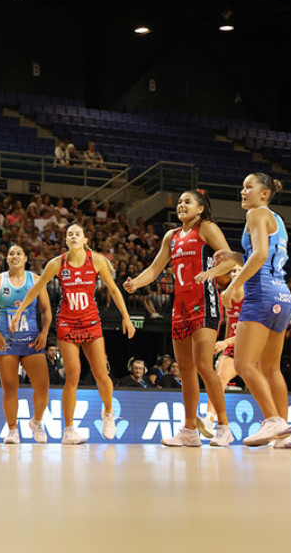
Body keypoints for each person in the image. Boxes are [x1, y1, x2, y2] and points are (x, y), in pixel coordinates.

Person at [125, 190, 234, 447]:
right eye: (180, 202)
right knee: (186, 371)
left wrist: (211, 273)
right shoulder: (171, 237)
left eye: (188, 202)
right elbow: (155, 268)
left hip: (205, 303)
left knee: (205, 366)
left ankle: (224, 426)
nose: (182, 205)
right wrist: (136, 283)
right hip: (180, 307)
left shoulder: (207, 228)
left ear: (200, 209)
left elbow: (229, 259)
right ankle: (189, 431)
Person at [13, 223, 136, 445]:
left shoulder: (96, 261)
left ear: (85, 239)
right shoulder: (56, 263)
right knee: (73, 376)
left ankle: (108, 412)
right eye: (70, 234)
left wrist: (126, 317)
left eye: (77, 233)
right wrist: (19, 311)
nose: (73, 236)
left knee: (101, 374)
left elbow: (114, 290)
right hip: (67, 324)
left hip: (91, 322)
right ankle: (68, 429)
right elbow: (37, 288)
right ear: (66, 240)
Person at [216, 173, 291, 447]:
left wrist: (234, 285)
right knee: (271, 368)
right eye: (242, 185)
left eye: (249, 186)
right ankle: (282, 436)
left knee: (243, 364)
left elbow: (260, 255)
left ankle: (272, 420)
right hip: (283, 296)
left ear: (264, 194)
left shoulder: (256, 215)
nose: (242, 190)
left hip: (260, 295)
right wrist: (234, 257)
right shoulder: (277, 219)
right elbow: (266, 255)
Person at [0, 244, 52, 445]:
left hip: (31, 339)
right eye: (11, 253)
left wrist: (45, 333)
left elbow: (46, 311)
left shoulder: (36, 280)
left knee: (43, 386)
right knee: (10, 388)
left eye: (19, 253)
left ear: (26, 258)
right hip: (6, 341)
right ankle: (12, 430)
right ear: (6, 258)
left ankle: (37, 422)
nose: (14, 256)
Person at [207, 266, 244, 425]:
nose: (235, 274)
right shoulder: (225, 296)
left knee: (259, 386)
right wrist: (225, 341)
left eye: (239, 270)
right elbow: (230, 322)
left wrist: (225, 342)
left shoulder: (252, 297)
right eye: (232, 271)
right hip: (232, 344)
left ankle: (275, 422)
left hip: (251, 345)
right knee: (218, 379)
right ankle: (209, 419)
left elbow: (248, 333)